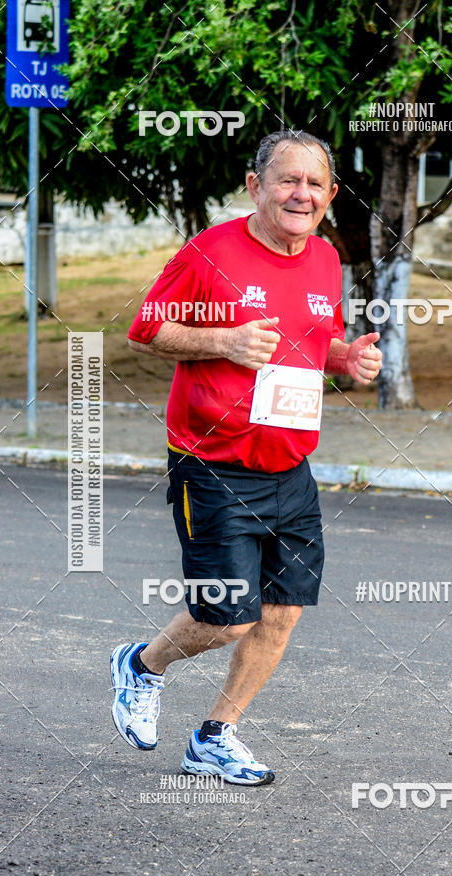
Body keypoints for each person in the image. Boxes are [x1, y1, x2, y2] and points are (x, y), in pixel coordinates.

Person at [110, 130, 382, 786]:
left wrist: (346, 358)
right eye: (288, 180)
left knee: (283, 610)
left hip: (290, 465)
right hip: (212, 461)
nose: (302, 194)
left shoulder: (322, 258)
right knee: (228, 615)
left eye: (315, 185)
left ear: (331, 197)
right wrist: (224, 340)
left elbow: (319, 339)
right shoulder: (211, 253)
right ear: (255, 186)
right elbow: (146, 330)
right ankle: (140, 667)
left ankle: (215, 735)